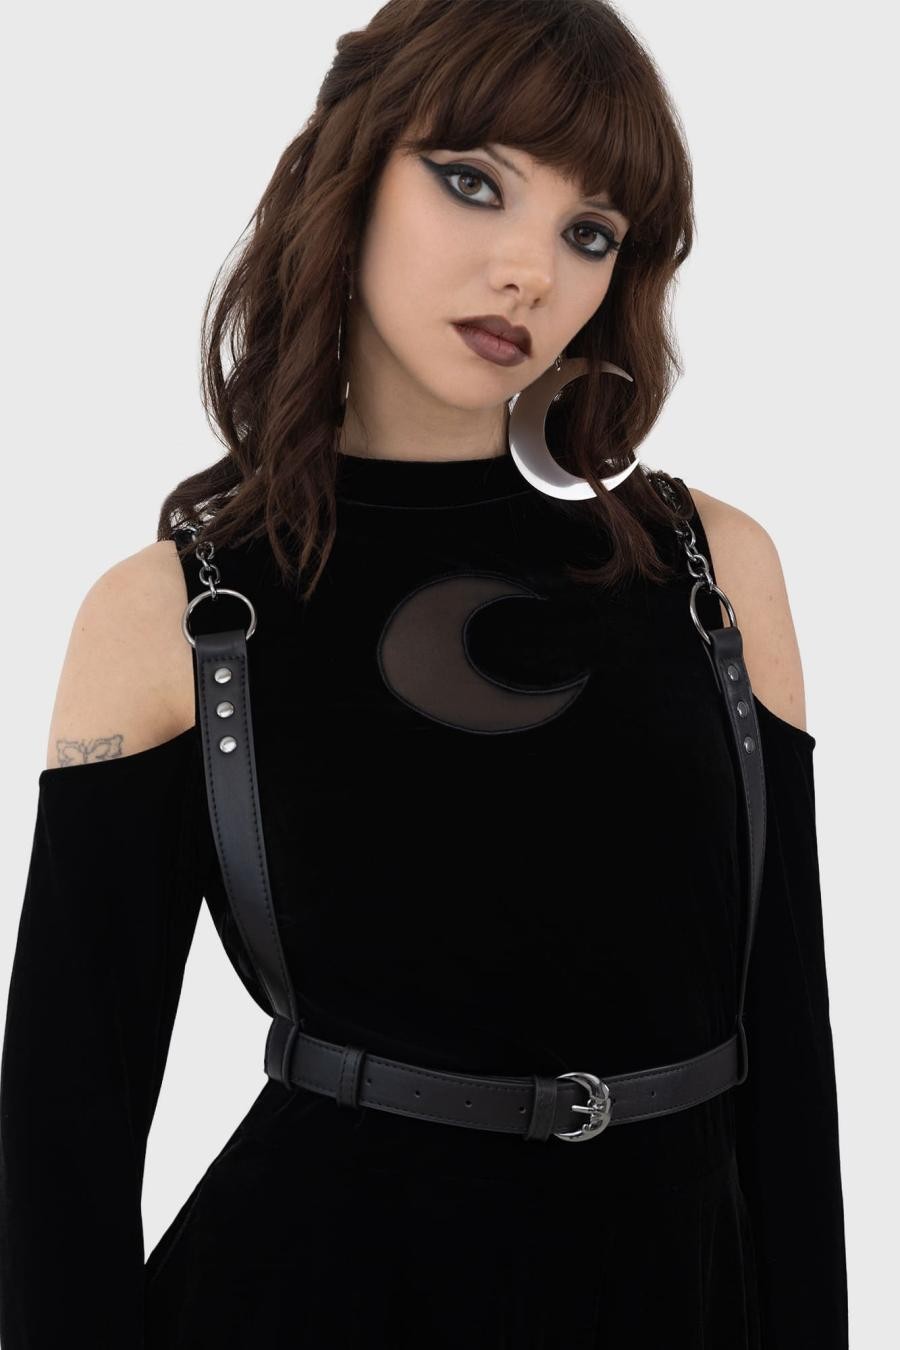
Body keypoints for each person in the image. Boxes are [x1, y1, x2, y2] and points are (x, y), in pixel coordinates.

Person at [0, 1, 848, 1345]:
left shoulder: (712, 571)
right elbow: (62, 1150)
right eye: (474, 182)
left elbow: (789, 1065)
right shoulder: (175, 617)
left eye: (590, 232)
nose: (530, 272)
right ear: (350, 172)